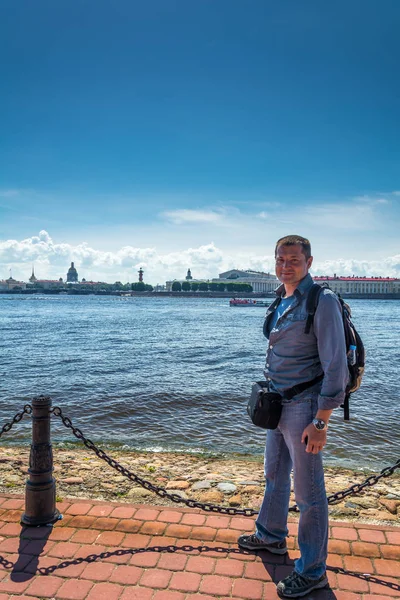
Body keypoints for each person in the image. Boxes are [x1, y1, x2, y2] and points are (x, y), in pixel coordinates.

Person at [238, 235, 349, 598]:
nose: (286, 266)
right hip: (278, 404)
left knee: (309, 493)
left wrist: (321, 422)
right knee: (274, 474)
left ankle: (313, 569)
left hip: (304, 407)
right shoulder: (282, 296)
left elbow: (336, 369)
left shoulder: (323, 301)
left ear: (309, 262)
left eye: (294, 261)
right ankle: (271, 537)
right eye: (280, 260)